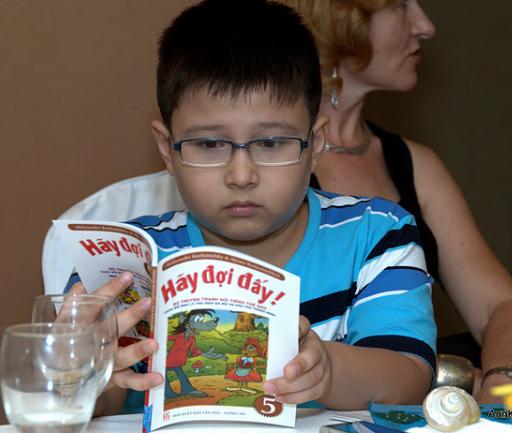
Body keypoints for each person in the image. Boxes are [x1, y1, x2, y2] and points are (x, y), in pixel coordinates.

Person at [77, 0, 437, 415]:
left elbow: (410, 379)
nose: (241, 175)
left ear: (316, 143)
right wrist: (82, 368)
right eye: (209, 144)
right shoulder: (126, 261)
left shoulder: (376, 235)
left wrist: (329, 371)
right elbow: (101, 406)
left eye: (270, 143)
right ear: (167, 149)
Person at [278, 0, 512, 401]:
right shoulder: (267, 168)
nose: (425, 26)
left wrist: (504, 391)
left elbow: (502, 306)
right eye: (401, 5)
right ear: (339, 18)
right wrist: (453, 375)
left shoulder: (415, 163)